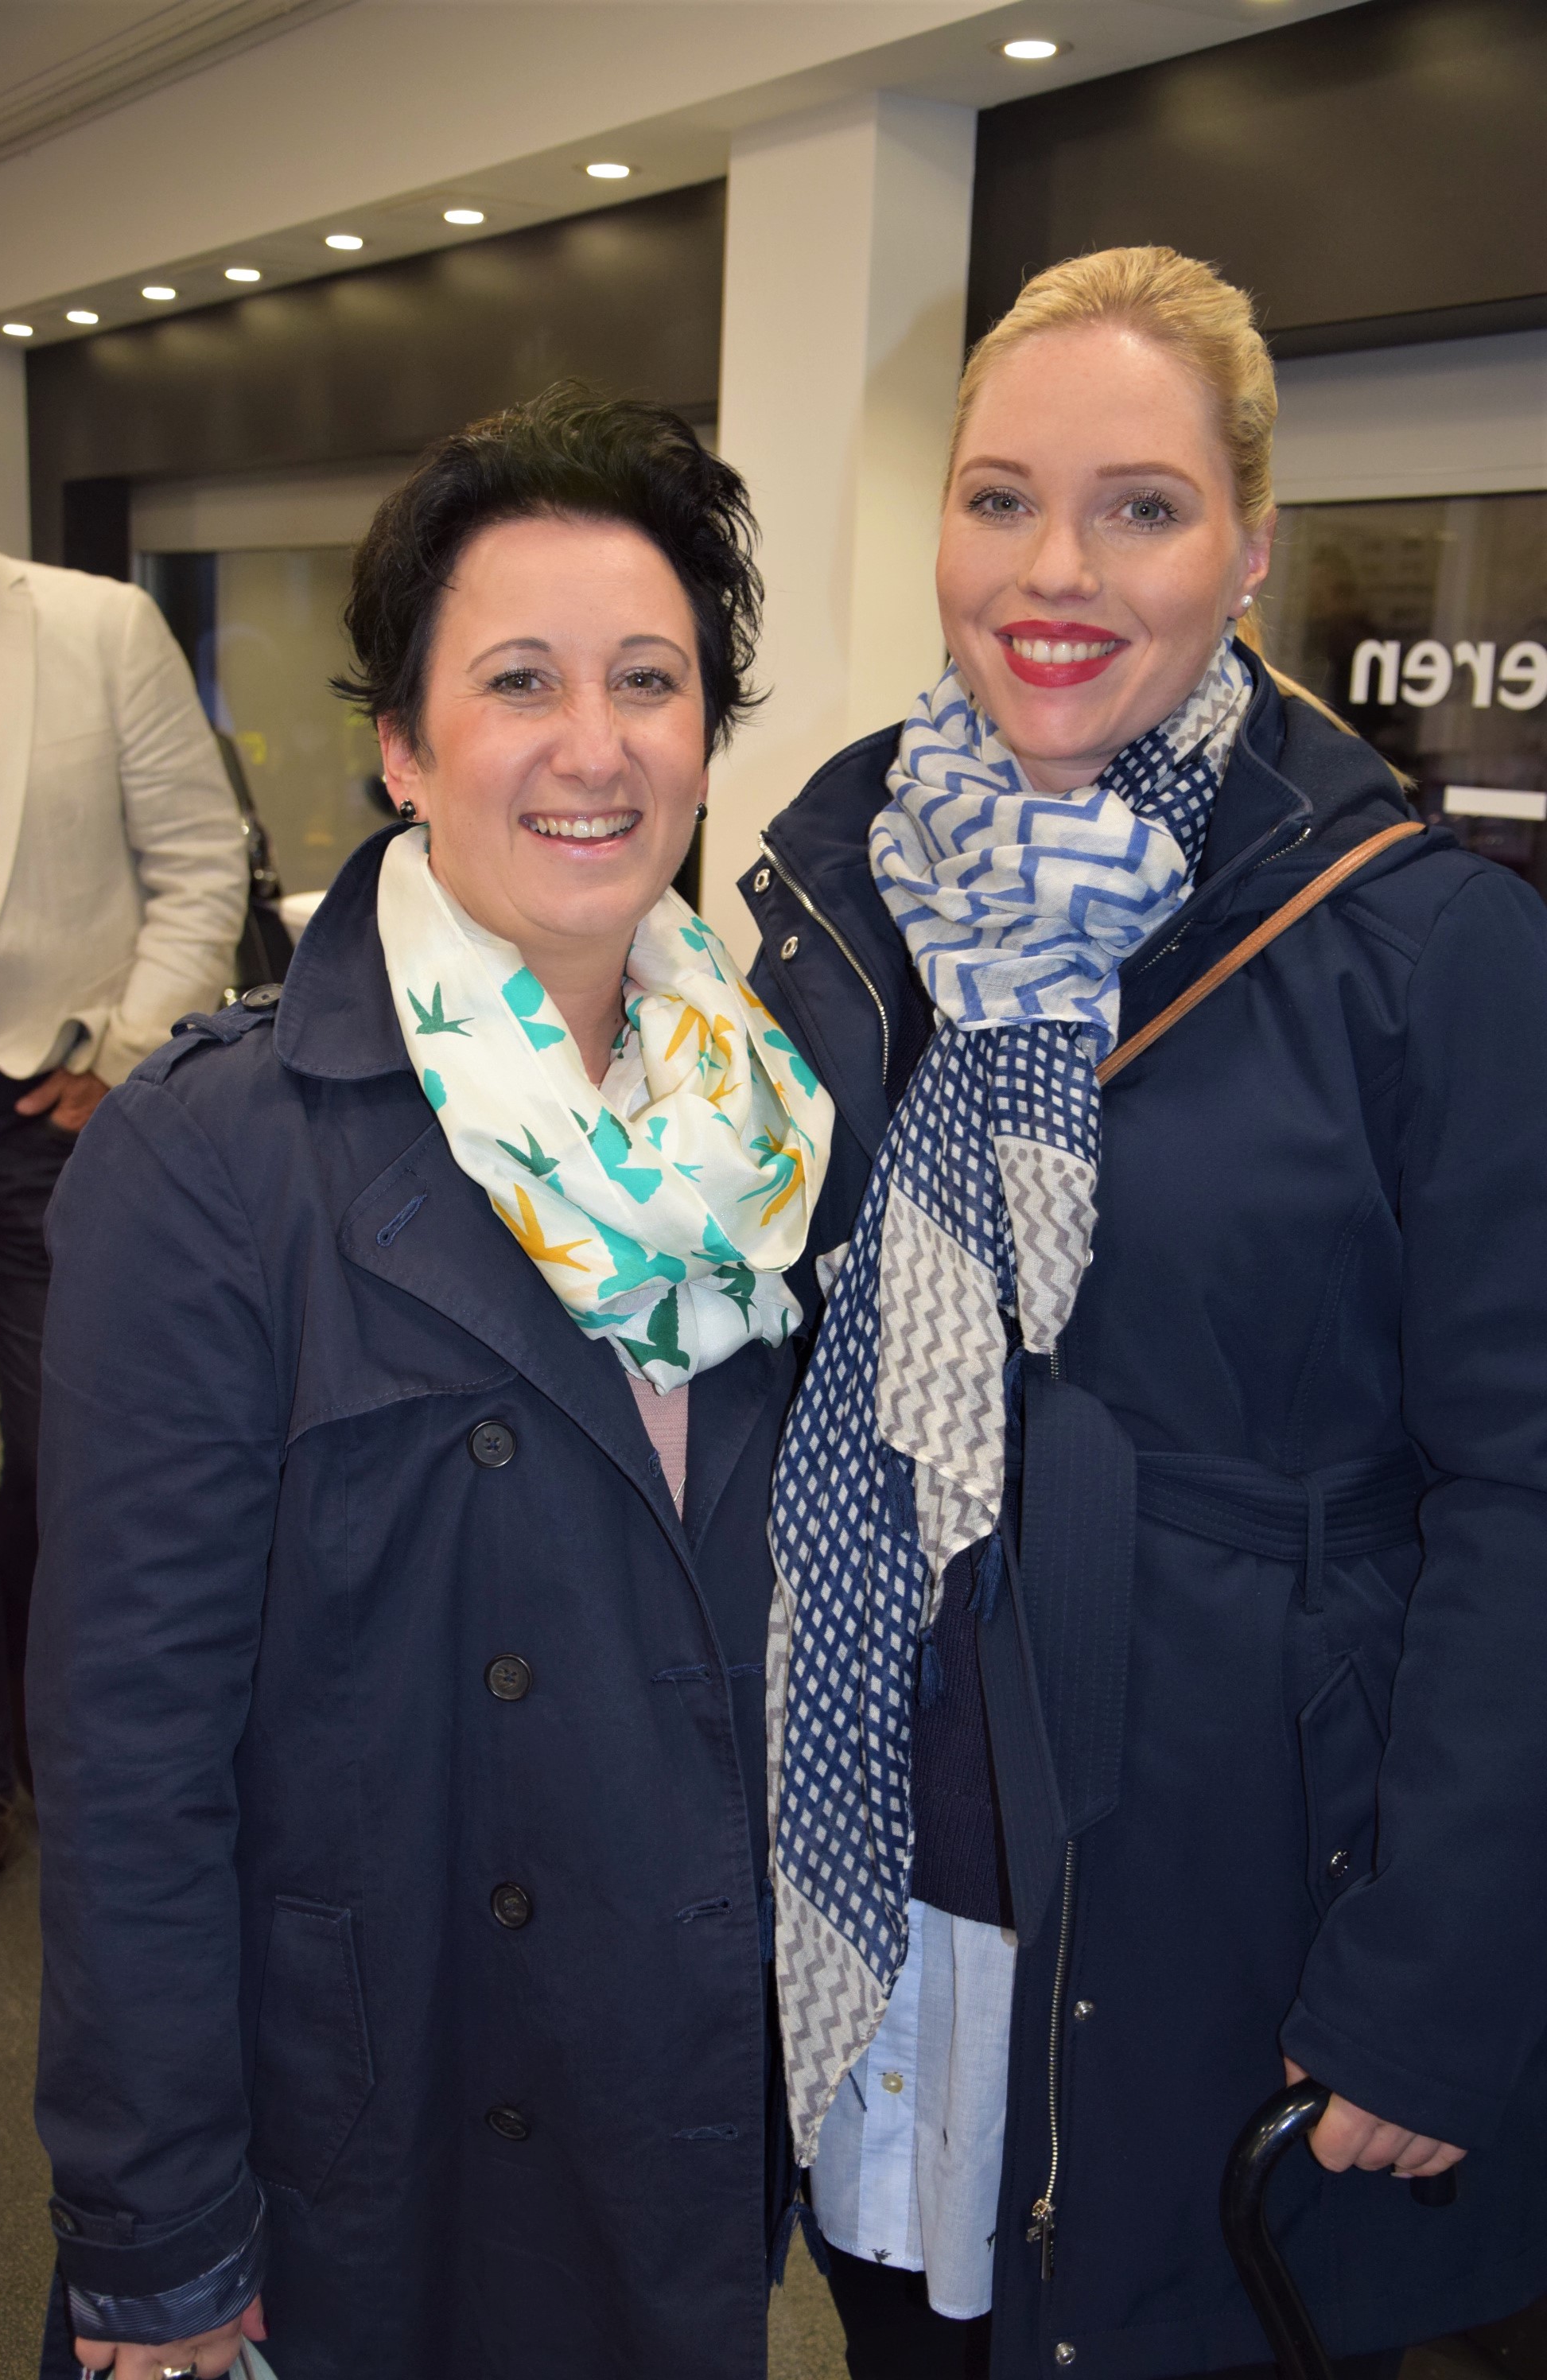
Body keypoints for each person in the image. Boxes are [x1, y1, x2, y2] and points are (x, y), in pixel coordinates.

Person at [747, 248, 1547, 2379]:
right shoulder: (843, 896)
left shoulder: (1426, 954)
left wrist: (1438, 1979)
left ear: (1251, 547)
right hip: (879, 1859)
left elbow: (1525, 1494)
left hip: (1212, 1916)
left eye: (1142, 507)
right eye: (1000, 498)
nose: (1056, 571)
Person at [27, 387, 832, 2380]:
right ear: (401, 743)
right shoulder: (214, 1156)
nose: (593, 743)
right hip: (369, 2112)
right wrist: (156, 2228)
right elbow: (130, 1756)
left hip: (664, 2075)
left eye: (648, 679)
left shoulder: (775, 1127)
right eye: (519, 679)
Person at [0, 520, 245, 1935]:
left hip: (46, 1127)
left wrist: (127, 1057)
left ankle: (78, 1755)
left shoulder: (92, 626)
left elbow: (199, 862)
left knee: (74, 1463)